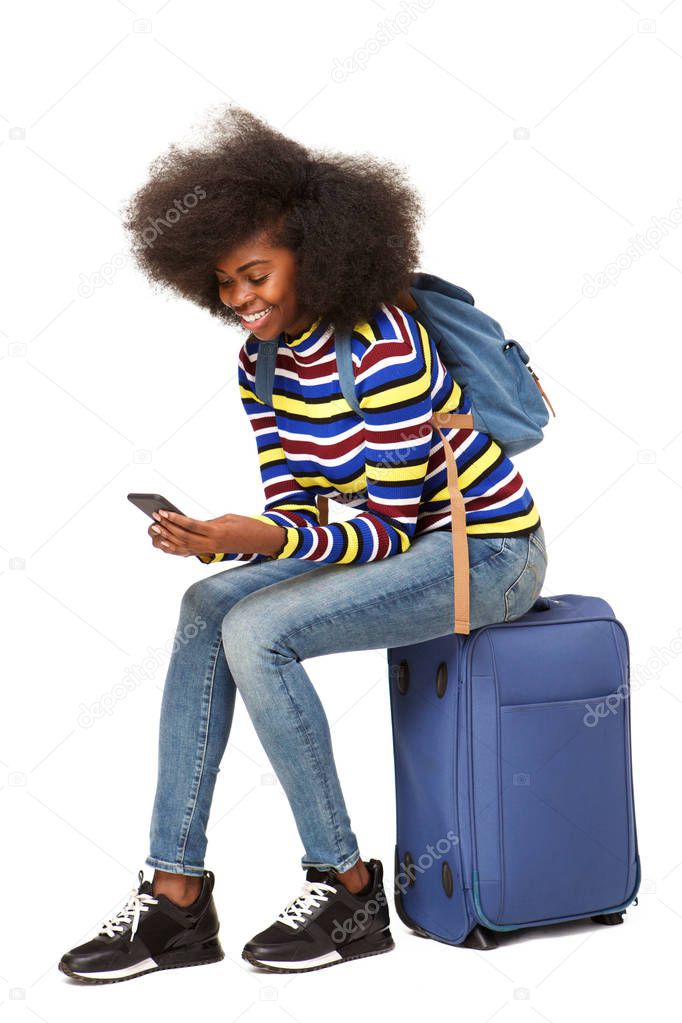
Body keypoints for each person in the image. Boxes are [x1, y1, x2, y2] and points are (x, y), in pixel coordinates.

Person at [59, 106, 547, 984]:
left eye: (257, 275)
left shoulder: (385, 343)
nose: (242, 300)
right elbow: (302, 503)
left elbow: (388, 526)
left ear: (312, 253)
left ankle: (347, 886)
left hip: (485, 554)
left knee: (259, 630)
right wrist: (224, 543)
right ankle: (176, 898)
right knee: (211, 604)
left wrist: (263, 537)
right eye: (226, 285)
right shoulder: (264, 363)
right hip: (391, 545)